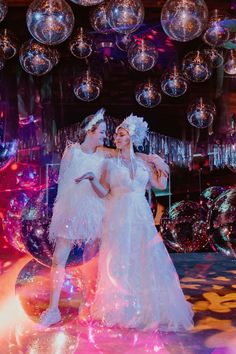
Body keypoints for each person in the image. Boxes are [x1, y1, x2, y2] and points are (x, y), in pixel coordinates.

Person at [39, 110, 168, 327]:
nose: (105, 136)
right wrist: (61, 211)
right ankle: (52, 310)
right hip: (71, 211)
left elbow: (129, 155)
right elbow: (62, 184)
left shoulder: (102, 153)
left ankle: (86, 306)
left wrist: (155, 159)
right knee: (58, 259)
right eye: (101, 132)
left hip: (96, 212)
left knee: (92, 262)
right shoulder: (71, 151)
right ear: (90, 131)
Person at [76, 114, 194, 331]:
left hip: (140, 216)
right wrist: (92, 179)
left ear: (130, 137)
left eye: (120, 134)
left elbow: (159, 184)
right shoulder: (109, 164)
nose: (115, 137)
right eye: (115, 134)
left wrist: (162, 165)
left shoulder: (142, 163)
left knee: (145, 257)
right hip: (117, 217)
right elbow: (103, 193)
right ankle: (121, 309)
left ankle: (147, 308)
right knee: (119, 259)